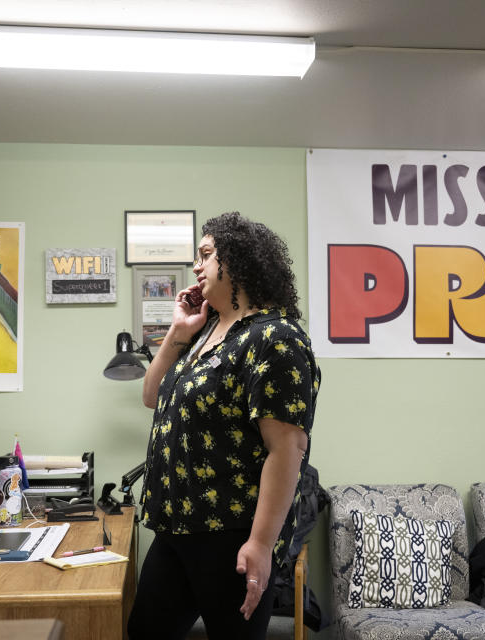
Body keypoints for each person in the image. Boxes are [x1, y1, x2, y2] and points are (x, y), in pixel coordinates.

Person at [128, 212, 320, 640]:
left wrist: (261, 544)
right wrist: (179, 331)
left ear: (238, 261)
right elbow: (151, 395)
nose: (197, 266)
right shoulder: (207, 330)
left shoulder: (275, 337)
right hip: (176, 525)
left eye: (206, 255)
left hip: (230, 535)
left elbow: (287, 450)